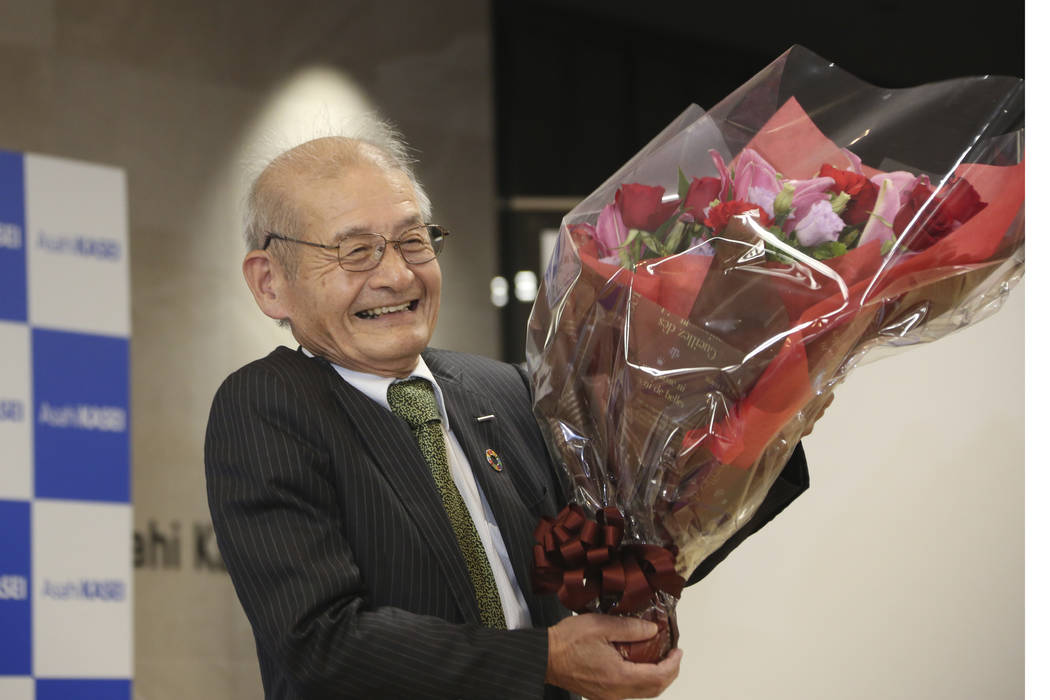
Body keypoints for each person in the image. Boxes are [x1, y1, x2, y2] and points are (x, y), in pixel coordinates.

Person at [205, 127, 810, 700]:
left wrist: (763, 397)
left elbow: (622, 539)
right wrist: (542, 658)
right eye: (355, 251)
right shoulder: (270, 405)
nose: (395, 275)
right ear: (270, 283)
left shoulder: (503, 390)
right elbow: (321, 641)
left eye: (413, 241)